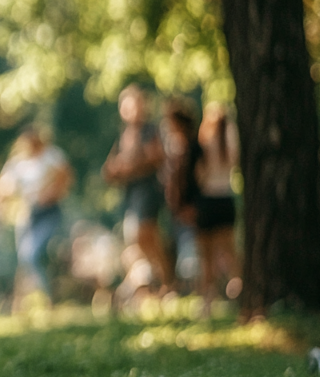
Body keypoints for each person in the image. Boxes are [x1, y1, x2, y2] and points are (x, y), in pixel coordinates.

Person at [167, 102, 241, 312]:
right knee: (230, 253)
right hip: (226, 199)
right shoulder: (230, 145)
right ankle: (241, 294)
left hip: (207, 202)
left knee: (206, 258)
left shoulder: (202, 146)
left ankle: (207, 303)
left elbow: (196, 175)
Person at [102, 85, 176, 293]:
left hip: (149, 189)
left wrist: (130, 165)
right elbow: (110, 168)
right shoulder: (124, 134)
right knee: (142, 238)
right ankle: (162, 281)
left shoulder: (151, 130)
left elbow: (157, 156)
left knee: (143, 234)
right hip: (131, 193)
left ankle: (166, 279)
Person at [0, 126, 73, 300]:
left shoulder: (52, 156)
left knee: (33, 254)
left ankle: (48, 295)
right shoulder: (17, 163)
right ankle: (35, 297)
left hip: (50, 212)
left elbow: (66, 179)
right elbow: (5, 187)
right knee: (25, 257)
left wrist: (51, 193)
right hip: (28, 214)